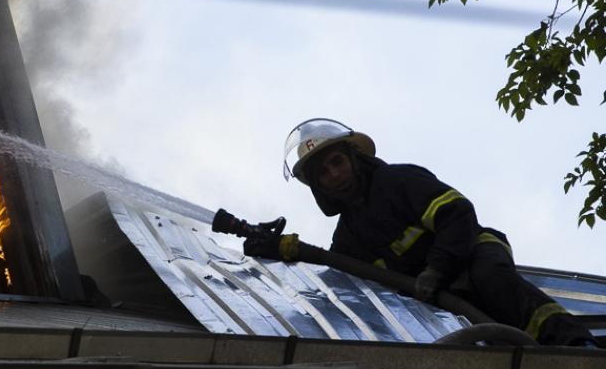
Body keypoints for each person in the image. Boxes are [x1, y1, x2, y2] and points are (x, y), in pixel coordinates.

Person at [244, 118, 597, 347]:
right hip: (437, 295)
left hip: (473, 253)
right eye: (324, 172)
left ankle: (577, 347)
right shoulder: (347, 239)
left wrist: (435, 270)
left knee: (495, 283)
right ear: (318, 186)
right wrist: (282, 254)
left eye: (337, 162)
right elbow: (346, 283)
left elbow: (457, 213)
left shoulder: (398, 181)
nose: (334, 174)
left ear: (353, 158)